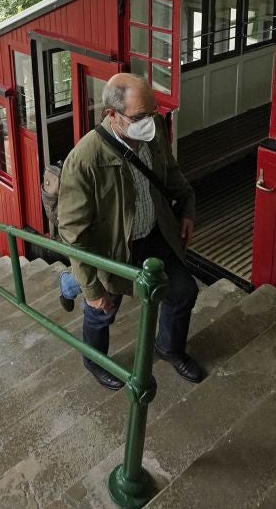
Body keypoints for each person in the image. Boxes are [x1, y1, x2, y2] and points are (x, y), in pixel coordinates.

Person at [57, 73, 202, 389]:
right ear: (112, 114)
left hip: (155, 236)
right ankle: (94, 360)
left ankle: (169, 348)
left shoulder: (155, 129)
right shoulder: (85, 159)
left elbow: (171, 173)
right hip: (112, 250)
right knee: (103, 311)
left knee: (183, 291)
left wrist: (187, 210)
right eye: (139, 117)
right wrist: (93, 291)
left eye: (152, 112)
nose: (148, 122)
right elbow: (71, 232)